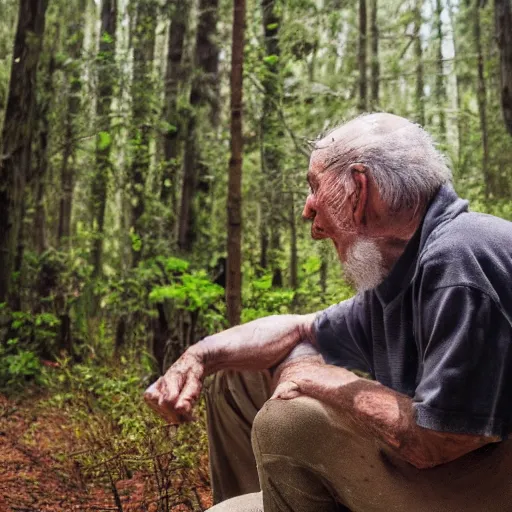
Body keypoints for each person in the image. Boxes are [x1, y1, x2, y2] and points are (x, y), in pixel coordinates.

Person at [144, 113, 512, 512]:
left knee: (292, 420)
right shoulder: (399, 276)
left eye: (315, 187)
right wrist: (200, 355)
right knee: (238, 375)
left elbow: (441, 441)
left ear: (360, 188)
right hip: (439, 470)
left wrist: (327, 381)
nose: (308, 212)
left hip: (481, 481)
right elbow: (302, 329)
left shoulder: (460, 257)